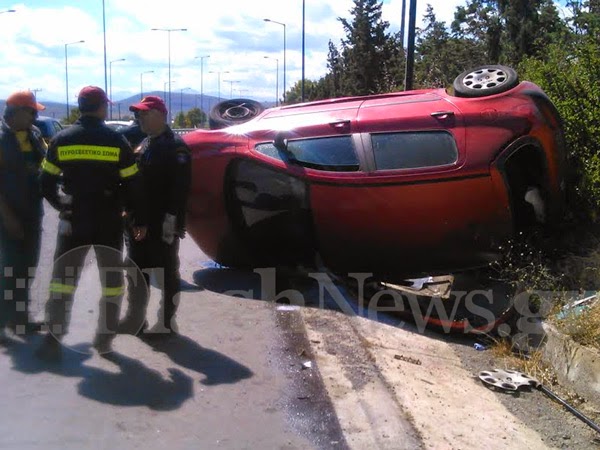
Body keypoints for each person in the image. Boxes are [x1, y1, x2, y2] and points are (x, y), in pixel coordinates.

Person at [36, 86, 147, 360]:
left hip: (74, 220)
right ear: (102, 108)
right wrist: (133, 215)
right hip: (108, 220)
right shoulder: (116, 141)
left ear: (80, 106)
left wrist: (62, 205)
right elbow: (133, 184)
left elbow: (46, 182)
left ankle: (53, 336)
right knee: (111, 281)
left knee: (62, 280)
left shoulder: (61, 139)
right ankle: (105, 339)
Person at [119, 95, 191, 337]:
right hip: (140, 223)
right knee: (137, 272)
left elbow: (179, 191)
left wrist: (170, 224)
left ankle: (167, 322)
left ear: (161, 114)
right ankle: (137, 320)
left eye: (145, 113)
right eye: (138, 114)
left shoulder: (175, 147)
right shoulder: (146, 143)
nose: (139, 118)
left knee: (167, 272)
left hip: (161, 225)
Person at [0, 91, 47, 339]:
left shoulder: (35, 135)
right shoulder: (1, 139)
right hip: (8, 214)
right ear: (16, 112)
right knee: (9, 270)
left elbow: (45, 168)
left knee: (27, 268)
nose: (34, 116)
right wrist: (7, 217)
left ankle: (19, 320)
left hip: (32, 212)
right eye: (31, 111)